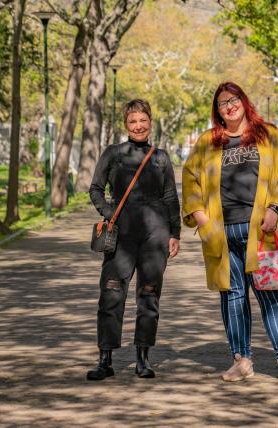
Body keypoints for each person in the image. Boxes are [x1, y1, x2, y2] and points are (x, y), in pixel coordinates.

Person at [181, 82, 278, 386]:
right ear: (218, 111)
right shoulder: (207, 142)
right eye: (223, 103)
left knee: (271, 295)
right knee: (233, 297)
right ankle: (242, 360)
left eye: (234, 99)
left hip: (261, 231)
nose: (230, 106)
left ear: (244, 101)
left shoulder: (267, 135)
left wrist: (276, 208)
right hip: (221, 233)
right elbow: (190, 181)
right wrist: (202, 221)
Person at [87, 99, 181, 380]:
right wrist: (109, 212)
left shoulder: (161, 157)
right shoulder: (114, 153)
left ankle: (143, 357)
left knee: (149, 295)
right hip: (122, 236)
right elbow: (95, 188)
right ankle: (105, 359)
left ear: (150, 122)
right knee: (111, 294)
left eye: (143, 120)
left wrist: (175, 233)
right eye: (133, 122)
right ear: (126, 125)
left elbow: (170, 198)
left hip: (155, 236)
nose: (138, 126)